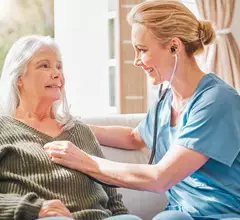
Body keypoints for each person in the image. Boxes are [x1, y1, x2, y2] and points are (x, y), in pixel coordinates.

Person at [43, 0, 240, 220]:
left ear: (175, 46)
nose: (136, 61)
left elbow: (160, 178)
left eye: (142, 50)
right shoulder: (166, 103)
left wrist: (84, 161)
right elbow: (134, 137)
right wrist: (73, 124)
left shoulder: (217, 101)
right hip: (180, 214)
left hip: (222, 214)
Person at [0, 35, 144, 220]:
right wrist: (31, 207)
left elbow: (112, 199)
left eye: (59, 67)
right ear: (19, 78)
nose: (57, 73)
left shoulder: (80, 130)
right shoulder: (3, 129)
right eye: (44, 66)